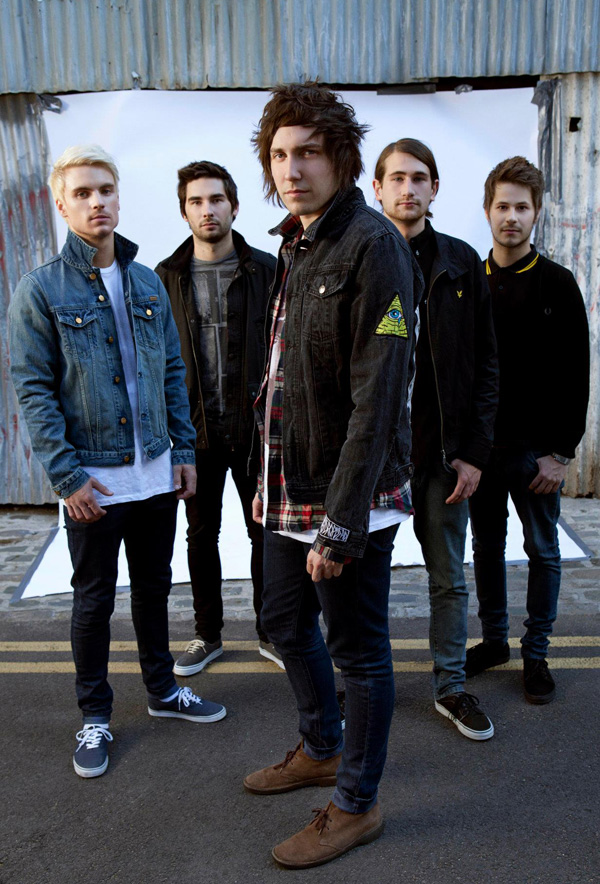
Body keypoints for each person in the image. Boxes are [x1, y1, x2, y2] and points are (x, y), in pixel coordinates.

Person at [242, 83, 420, 869]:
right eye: (280, 155)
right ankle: (321, 746)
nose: (292, 169)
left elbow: (378, 398)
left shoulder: (374, 246)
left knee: (359, 651)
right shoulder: (298, 241)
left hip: (349, 498)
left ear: (343, 159)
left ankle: (356, 802)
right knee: (283, 623)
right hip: (288, 486)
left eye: (309, 153)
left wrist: (342, 526)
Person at [9, 145, 226, 780]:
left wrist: (182, 451)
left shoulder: (147, 280)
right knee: (94, 600)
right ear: (61, 204)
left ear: (119, 196)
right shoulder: (41, 289)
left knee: (155, 590)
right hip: (94, 482)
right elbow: (34, 390)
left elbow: (173, 371)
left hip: (154, 472)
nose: (96, 201)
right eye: (81, 193)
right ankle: (95, 715)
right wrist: (68, 477)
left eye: (105, 189)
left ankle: (163, 691)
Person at [372, 139, 498, 741]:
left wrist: (473, 453)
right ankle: (362, 683)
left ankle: (450, 685)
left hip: (443, 456)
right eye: (396, 178)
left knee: (448, 578)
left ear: (435, 188)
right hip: (377, 456)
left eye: (419, 178)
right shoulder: (361, 257)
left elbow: (486, 364)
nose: (408, 188)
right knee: (361, 578)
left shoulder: (462, 262)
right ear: (376, 189)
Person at [467, 156, 590, 703]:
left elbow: (576, 375)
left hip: (537, 455)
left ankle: (536, 653)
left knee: (543, 551)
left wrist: (560, 453)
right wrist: (463, 449)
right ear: (487, 210)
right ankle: (494, 641)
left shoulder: (557, 283)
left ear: (536, 212)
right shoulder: (471, 282)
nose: (511, 217)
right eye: (502, 206)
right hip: (482, 452)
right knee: (486, 548)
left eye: (522, 207)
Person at [155, 161, 277, 674]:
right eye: (196, 202)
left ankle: (273, 632)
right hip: (195, 434)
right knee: (201, 536)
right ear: (184, 212)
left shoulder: (269, 271)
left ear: (234, 206)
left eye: (216, 199)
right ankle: (208, 634)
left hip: (257, 431)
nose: (207, 210)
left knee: (264, 534)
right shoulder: (164, 278)